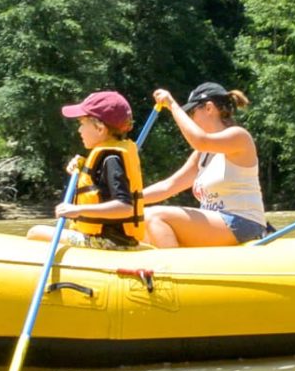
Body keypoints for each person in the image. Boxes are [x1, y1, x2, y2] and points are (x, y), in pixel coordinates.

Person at [142, 82, 268, 247]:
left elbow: (200, 141)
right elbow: (169, 186)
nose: (191, 119)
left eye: (193, 112)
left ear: (209, 108)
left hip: (244, 223)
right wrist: (127, 199)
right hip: (218, 224)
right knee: (141, 219)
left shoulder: (239, 137)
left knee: (154, 216)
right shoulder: (202, 154)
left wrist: (172, 104)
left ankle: (174, 271)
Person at [27, 90, 145, 250]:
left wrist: (77, 210)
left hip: (107, 242)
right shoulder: (110, 156)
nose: (79, 130)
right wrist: (82, 167)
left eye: (82, 124)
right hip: (112, 240)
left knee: (35, 232)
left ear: (100, 128)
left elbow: (125, 207)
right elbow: (99, 185)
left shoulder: (111, 160)